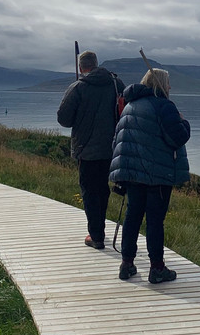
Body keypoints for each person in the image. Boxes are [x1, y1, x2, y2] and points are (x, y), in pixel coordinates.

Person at [110, 68, 190, 283]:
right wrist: (183, 122)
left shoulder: (130, 106)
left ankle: (126, 264)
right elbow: (178, 137)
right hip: (158, 174)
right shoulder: (164, 106)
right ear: (161, 84)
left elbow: (118, 140)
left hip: (132, 174)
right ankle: (157, 268)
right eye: (168, 83)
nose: (170, 87)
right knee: (155, 221)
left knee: (132, 216)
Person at [57, 50, 125, 250]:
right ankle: (99, 230)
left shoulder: (78, 87)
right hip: (112, 148)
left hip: (86, 149)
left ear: (80, 68)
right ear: (97, 64)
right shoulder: (116, 84)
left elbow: (64, 119)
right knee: (103, 190)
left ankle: (96, 235)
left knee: (89, 191)